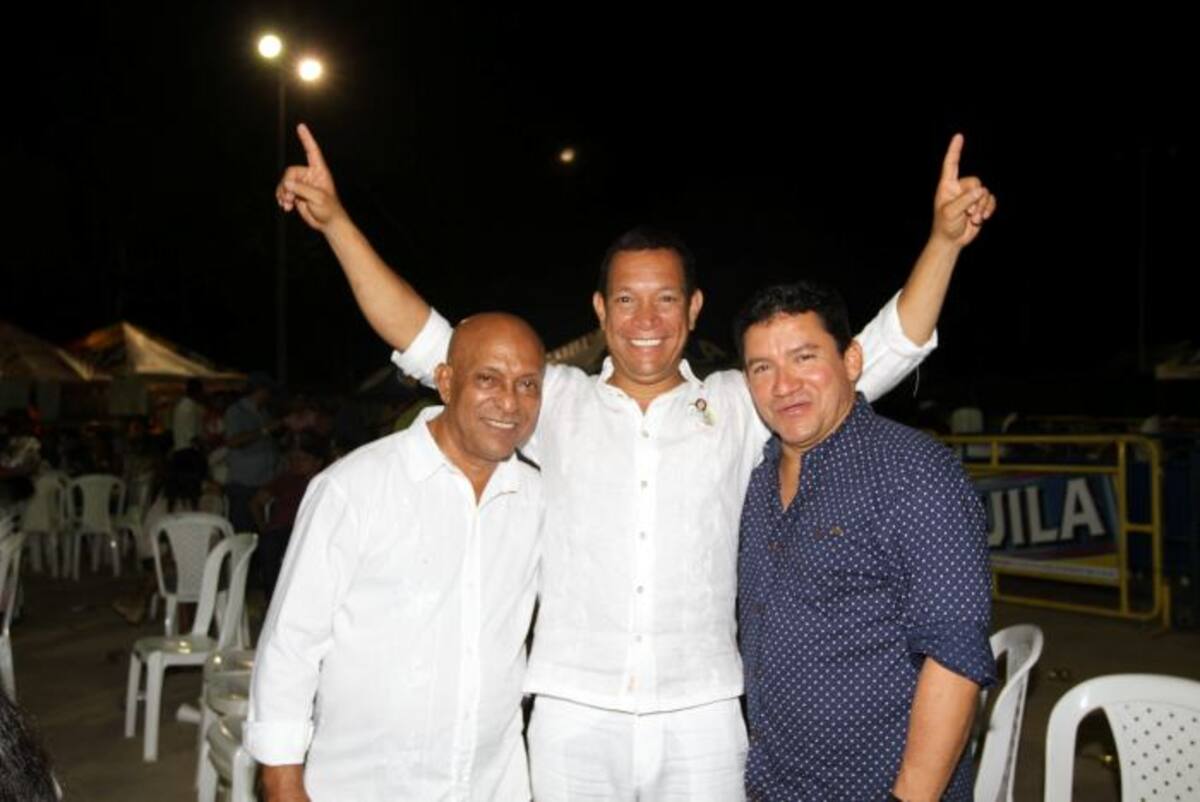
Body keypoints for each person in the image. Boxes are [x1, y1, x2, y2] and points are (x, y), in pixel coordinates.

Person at [275, 123, 995, 800]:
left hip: (704, 714)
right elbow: (427, 337)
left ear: (693, 308)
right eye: (626, 299)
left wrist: (943, 243)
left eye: (665, 300)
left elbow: (878, 351)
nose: (645, 320)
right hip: (571, 712)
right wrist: (336, 223)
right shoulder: (550, 400)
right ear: (600, 309)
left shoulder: (742, 401)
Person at [246, 313, 547, 802]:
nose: (510, 402)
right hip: (365, 785)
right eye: (488, 379)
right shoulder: (354, 489)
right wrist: (281, 780)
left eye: (527, 384)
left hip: (490, 784)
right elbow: (291, 644)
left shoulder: (537, 499)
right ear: (445, 382)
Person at [733, 281, 994, 801]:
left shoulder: (914, 473)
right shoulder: (759, 481)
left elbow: (956, 658)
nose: (784, 385)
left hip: (876, 788)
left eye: (804, 357)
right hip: (773, 784)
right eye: (763, 368)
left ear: (851, 360)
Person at [172, 378, 207, 452]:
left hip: (181, 447)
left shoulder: (182, 405)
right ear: (198, 392)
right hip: (188, 449)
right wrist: (203, 446)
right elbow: (191, 435)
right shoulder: (190, 407)